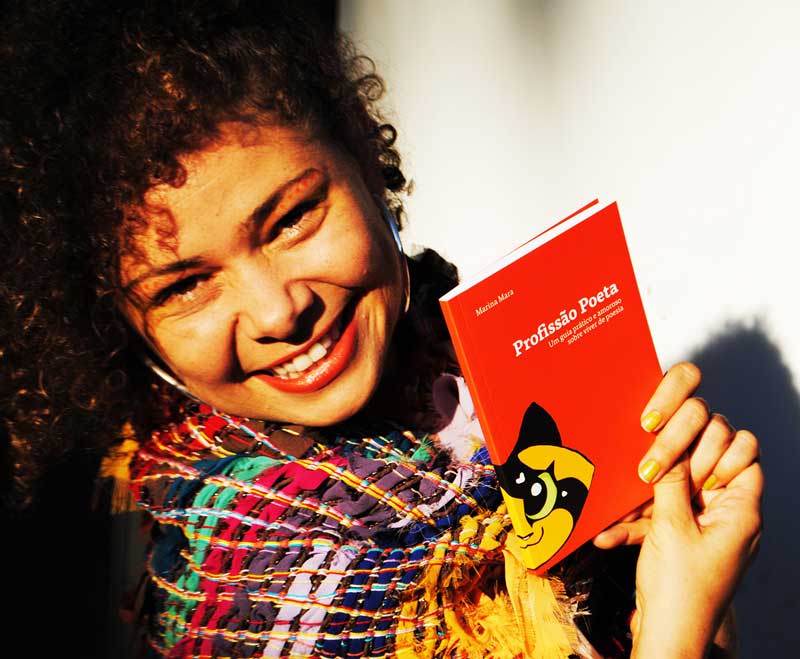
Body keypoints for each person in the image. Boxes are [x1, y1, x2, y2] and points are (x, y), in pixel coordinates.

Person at [0, 2, 762, 658]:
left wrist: (679, 551)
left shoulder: (478, 372)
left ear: (365, 161)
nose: (277, 312)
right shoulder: (237, 593)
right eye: (185, 285)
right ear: (122, 324)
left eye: (292, 218)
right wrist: (676, 633)